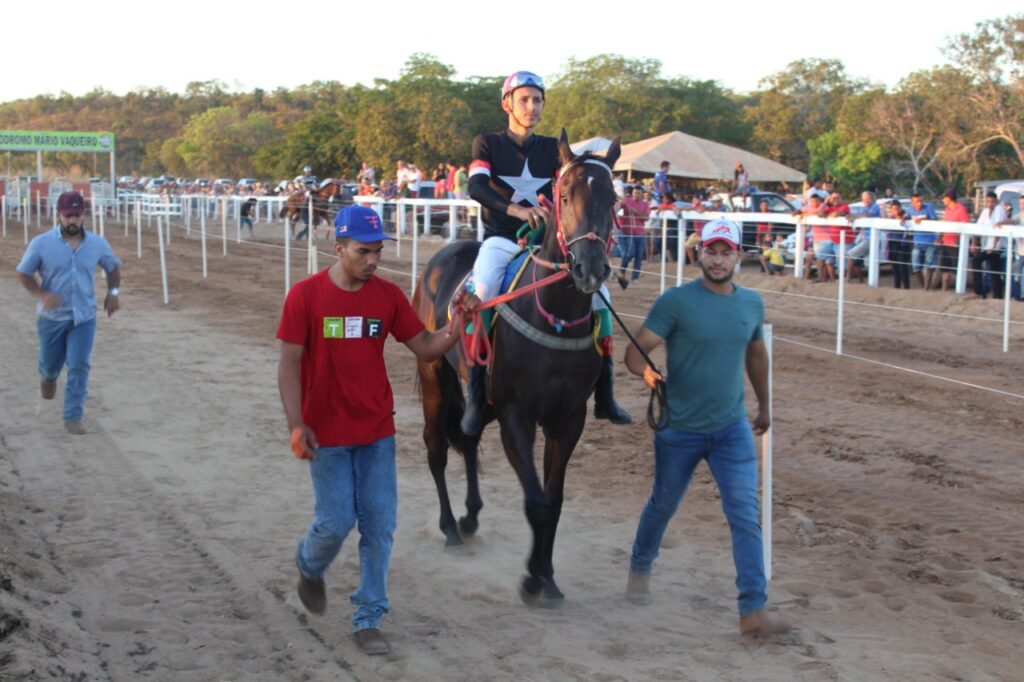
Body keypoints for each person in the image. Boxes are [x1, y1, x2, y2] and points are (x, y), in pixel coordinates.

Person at [277, 205, 464, 656]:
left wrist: (458, 325)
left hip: (377, 430)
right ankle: (309, 563)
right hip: (326, 434)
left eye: (378, 251)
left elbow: (423, 345)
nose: (373, 260)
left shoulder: (387, 297)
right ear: (337, 246)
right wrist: (296, 424)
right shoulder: (304, 296)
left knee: (379, 526)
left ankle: (368, 617)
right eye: (363, 251)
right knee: (336, 521)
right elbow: (288, 363)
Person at [622, 218, 789, 637]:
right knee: (663, 505)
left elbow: (756, 358)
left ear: (738, 255)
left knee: (744, 514)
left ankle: (753, 609)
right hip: (678, 428)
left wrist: (765, 405)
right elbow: (634, 350)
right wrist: (647, 375)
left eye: (725, 251)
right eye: (710, 251)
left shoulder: (751, 304)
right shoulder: (676, 302)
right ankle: (640, 567)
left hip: (731, 428)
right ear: (699, 254)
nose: (717, 259)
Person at [458, 69, 631, 435]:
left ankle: (605, 392)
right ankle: (476, 393)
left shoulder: (554, 148)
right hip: (501, 239)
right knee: (485, 289)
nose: (531, 106)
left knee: (600, 296)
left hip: (547, 243)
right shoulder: (486, 143)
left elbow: (574, 188)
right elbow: (476, 187)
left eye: (537, 100)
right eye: (524, 99)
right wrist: (517, 211)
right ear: (507, 103)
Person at [16, 191, 122, 435]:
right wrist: (42, 294)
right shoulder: (41, 244)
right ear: (58, 216)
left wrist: (113, 293)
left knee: (79, 365)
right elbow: (24, 273)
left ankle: (73, 416)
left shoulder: (97, 243)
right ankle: (48, 376)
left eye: (76, 215)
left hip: (83, 317)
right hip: (51, 318)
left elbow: (113, 268)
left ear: (83, 215)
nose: (72, 220)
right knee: (51, 365)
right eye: (68, 216)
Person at [971, 191, 1008, 299]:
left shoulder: (999, 210)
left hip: (999, 246)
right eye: (988, 201)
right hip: (989, 246)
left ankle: (979, 291)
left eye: (992, 201)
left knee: (977, 260)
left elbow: (998, 230)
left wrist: (993, 247)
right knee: (994, 270)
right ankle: (997, 296)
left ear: (996, 201)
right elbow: (977, 227)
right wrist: (973, 243)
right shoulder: (985, 212)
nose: (990, 203)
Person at [618, 186, 651, 287]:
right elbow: (619, 205)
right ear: (632, 193)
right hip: (628, 232)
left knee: (639, 256)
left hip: (640, 233)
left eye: (638, 193)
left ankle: (635, 277)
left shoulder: (645, 204)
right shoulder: (627, 201)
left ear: (642, 194)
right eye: (635, 193)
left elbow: (646, 218)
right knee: (630, 253)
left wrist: (636, 212)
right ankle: (622, 271)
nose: (636, 195)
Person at [938, 189, 969, 292]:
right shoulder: (947, 210)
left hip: (955, 244)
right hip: (945, 242)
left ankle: (959, 290)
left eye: (944, 198)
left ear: (949, 198)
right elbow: (944, 224)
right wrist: (940, 237)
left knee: (955, 268)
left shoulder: (961, 209)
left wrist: (959, 240)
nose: (943, 200)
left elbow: (966, 226)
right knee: (944, 267)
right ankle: (944, 290)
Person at [907, 192, 939, 290]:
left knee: (929, 264)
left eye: (921, 201)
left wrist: (923, 219)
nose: (919, 203)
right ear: (912, 202)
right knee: (916, 266)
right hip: (918, 241)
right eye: (916, 201)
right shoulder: (910, 209)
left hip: (930, 240)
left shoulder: (928, 207)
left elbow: (935, 220)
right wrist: (903, 218)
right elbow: (906, 216)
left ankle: (926, 288)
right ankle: (923, 287)